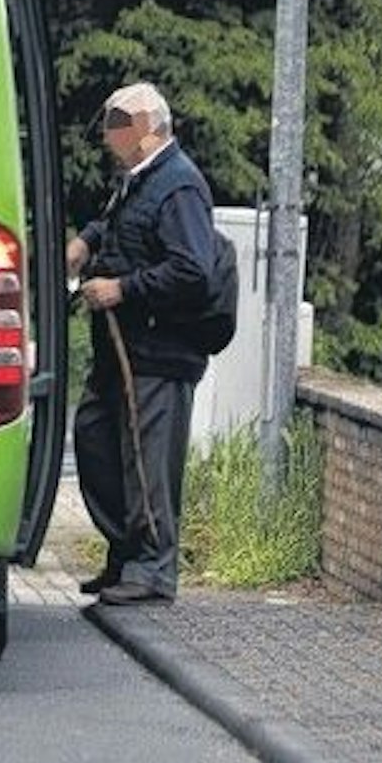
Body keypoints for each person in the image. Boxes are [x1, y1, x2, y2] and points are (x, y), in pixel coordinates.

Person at [65, 82, 219, 606]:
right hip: (121, 350)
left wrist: (123, 289)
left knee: (147, 461)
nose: (110, 138)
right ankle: (125, 553)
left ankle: (153, 568)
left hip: (157, 352)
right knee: (95, 438)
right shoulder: (138, 181)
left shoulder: (179, 187)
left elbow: (192, 270)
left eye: (118, 126)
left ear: (147, 129)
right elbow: (117, 226)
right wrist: (86, 241)